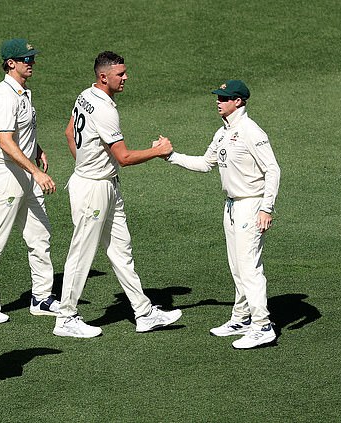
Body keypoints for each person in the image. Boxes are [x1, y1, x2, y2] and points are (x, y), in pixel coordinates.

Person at [53, 51, 183, 338]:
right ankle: (66, 318)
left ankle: (144, 312)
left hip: (103, 184)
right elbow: (123, 157)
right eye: (120, 74)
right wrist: (158, 151)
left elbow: (67, 133)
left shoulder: (84, 95)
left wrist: (85, 165)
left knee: (121, 251)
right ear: (103, 77)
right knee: (81, 253)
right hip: (94, 189)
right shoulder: (106, 110)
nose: (125, 78)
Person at [161, 79, 281, 349]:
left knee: (249, 268)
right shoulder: (223, 132)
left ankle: (263, 325)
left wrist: (266, 207)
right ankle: (241, 318)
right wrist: (170, 156)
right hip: (231, 206)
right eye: (218, 97)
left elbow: (273, 170)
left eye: (224, 98)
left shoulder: (251, 131)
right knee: (237, 267)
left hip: (251, 204)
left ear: (238, 101)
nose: (218, 101)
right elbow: (206, 164)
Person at [0, 38, 59, 324]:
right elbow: (4, 141)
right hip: (7, 175)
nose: (32, 63)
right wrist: (36, 172)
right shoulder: (4, 96)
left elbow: (20, 132)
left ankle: (41, 297)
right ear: (10, 63)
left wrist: (36, 149)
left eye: (32, 58)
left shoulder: (22, 92)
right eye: (26, 59)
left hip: (25, 173)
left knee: (40, 236)